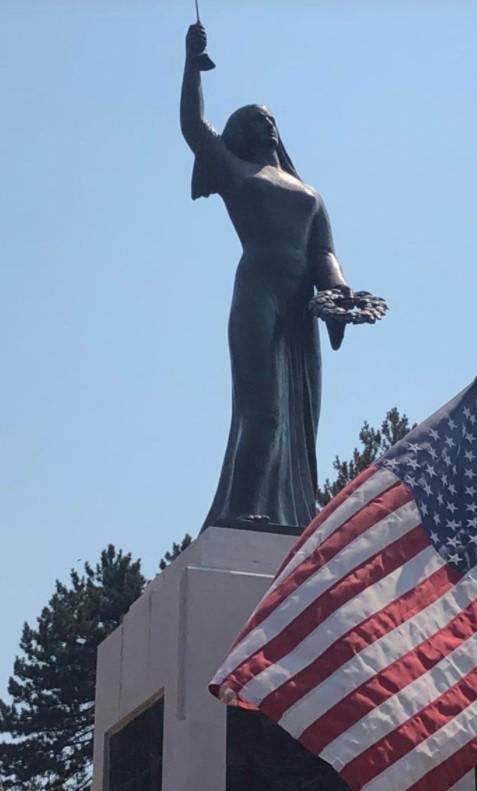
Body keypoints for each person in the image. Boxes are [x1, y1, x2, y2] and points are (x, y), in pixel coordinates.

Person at [181, 23, 351, 531]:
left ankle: (294, 513)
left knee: (301, 419)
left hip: (301, 304)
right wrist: (192, 63)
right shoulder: (234, 170)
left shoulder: (309, 193)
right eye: (256, 119)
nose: (267, 124)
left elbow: (324, 254)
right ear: (240, 131)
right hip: (257, 292)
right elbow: (193, 126)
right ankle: (244, 510)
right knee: (263, 408)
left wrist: (340, 300)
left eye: (271, 118)